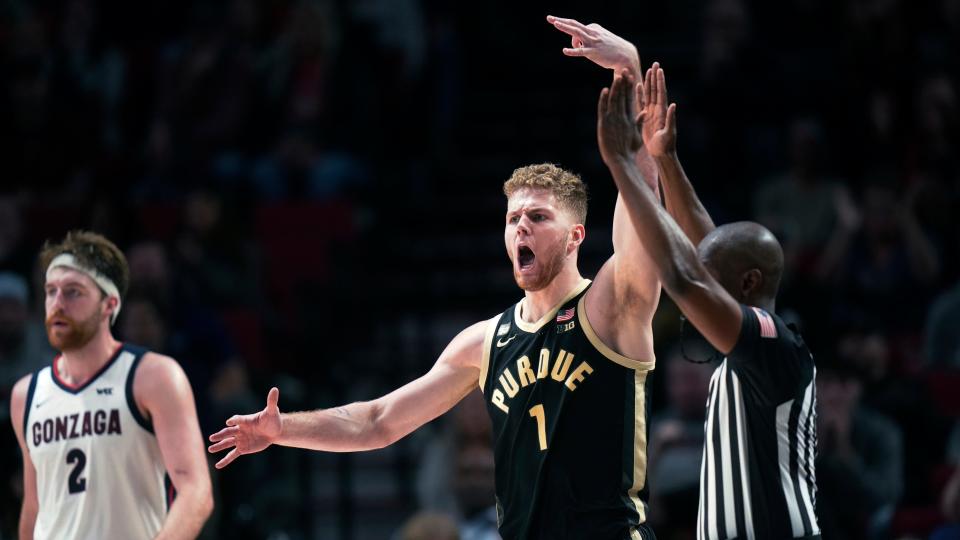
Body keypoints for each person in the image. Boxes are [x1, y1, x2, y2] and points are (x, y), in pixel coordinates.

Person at [210, 72, 666, 540]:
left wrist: (640, 139)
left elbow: (642, 235)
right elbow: (377, 421)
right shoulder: (485, 341)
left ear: (575, 237)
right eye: (512, 219)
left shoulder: (607, 308)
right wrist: (280, 428)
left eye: (538, 216)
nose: (520, 228)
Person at [596, 64, 820, 539]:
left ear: (747, 284)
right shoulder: (751, 342)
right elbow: (705, 251)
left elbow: (683, 276)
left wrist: (625, 168)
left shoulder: (773, 341)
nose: (700, 288)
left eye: (711, 277)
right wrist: (665, 158)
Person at [8, 231, 213, 539]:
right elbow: (34, 505)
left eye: (73, 292)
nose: (57, 303)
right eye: (51, 291)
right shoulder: (26, 394)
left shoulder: (153, 376)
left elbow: (196, 492)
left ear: (109, 304)